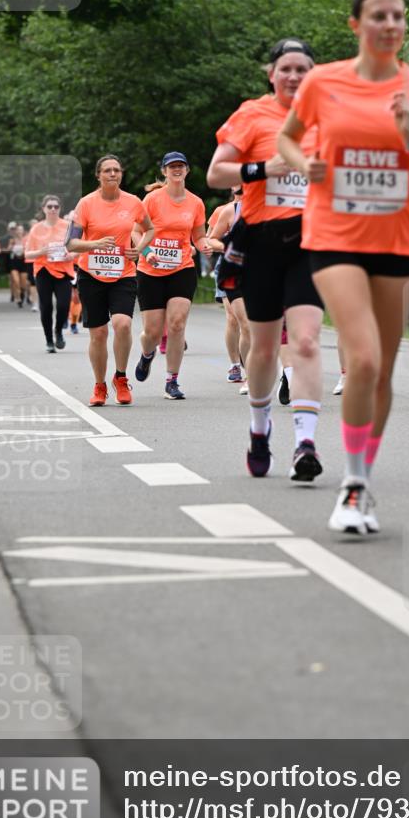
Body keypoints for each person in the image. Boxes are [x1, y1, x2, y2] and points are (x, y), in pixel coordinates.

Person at [278, 0, 409, 532]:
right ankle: (352, 488)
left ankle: (364, 476)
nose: (390, 25)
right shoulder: (324, 81)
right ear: (356, 25)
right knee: (366, 359)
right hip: (334, 236)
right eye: (379, 16)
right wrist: (304, 165)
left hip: (399, 241)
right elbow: (288, 137)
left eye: (399, 16)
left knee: (382, 376)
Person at [207, 37, 325, 483]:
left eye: (303, 69)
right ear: (271, 74)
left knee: (307, 341)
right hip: (260, 242)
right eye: (287, 68)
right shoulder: (252, 114)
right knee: (263, 346)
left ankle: (305, 443)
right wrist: (261, 170)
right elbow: (216, 172)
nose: (295, 76)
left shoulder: (327, 117)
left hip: (312, 242)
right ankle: (260, 430)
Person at [66, 153, 154, 405]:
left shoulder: (133, 202)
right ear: (98, 175)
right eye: (107, 170)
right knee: (99, 333)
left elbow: (149, 229)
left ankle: (121, 378)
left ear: (121, 174)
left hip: (123, 274)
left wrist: (140, 249)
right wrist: (94, 244)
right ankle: (99, 385)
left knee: (123, 324)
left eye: (117, 170)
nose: (113, 174)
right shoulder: (86, 204)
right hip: (91, 275)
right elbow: (70, 243)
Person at [133, 153, 209, 400]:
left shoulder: (196, 203)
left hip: (181, 269)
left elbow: (198, 235)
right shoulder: (152, 200)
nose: (176, 170)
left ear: (187, 171)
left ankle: (172, 381)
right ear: (164, 172)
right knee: (152, 333)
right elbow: (135, 232)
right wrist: (147, 250)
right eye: (171, 167)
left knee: (177, 325)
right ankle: (147, 355)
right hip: (150, 270)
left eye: (180, 166)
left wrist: (204, 244)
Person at [206, 187, 251, 389]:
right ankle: (236, 365)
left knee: (252, 324)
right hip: (230, 270)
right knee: (235, 319)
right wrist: (229, 247)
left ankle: (255, 368)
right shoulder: (225, 210)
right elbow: (209, 238)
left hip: (258, 272)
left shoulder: (268, 207)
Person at [25, 195, 76, 353]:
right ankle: (49, 340)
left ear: (60, 209)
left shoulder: (68, 226)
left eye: (56, 206)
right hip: (43, 270)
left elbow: (78, 248)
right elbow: (27, 254)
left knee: (63, 305)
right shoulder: (36, 229)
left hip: (63, 270)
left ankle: (58, 331)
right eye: (49, 207)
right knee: (46, 306)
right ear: (44, 209)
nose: (53, 209)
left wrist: (71, 255)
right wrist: (41, 251)